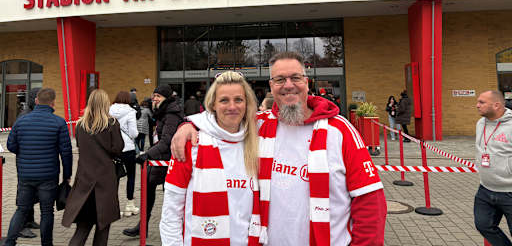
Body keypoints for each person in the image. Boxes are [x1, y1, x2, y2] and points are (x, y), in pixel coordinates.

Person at [172, 52, 387, 245]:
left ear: (307, 82)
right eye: (280, 79)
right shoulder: (259, 125)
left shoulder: (340, 131)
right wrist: (188, 125)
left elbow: (370, 203)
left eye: (295, 78)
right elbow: (223, 120)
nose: (288, 85)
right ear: (271, 86)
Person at [160, 71, 261, 245]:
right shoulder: (191, 143)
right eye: (224, 100)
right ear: (213, 104)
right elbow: (171, 212)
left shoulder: (260, 139)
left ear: (247, 104)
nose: (232, 106)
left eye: (238, 99)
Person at [4, 88, 73, 246]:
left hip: (25, 175)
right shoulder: (59, 122)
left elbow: (11, 146)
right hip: (48, 176)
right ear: (53, 103)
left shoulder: (21, 121)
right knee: (47, 212)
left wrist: (26, 151)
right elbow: (66, 152)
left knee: (21, 209)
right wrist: (67, 174)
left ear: (36, 101)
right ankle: (46, 244)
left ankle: (9, 242)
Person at [62, 89, 125, 246]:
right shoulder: (111, 123)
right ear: (105, 104)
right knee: (103, 229)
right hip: (105, 181)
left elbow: (80, 146)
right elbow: (117, 148)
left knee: (82, 230)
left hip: (85, 181)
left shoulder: (80, 125)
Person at [123, 85, 184, 237]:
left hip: (168, 161)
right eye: (154, 95)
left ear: (166, 98)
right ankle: (143, 227)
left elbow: (167, 140)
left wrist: (147, 154)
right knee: (149, 191)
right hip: (160, 160)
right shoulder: (162, 111)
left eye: (158, 96)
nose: (155, 98)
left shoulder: (171, 114)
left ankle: (170, 230)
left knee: (169, 198)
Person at [474, 90, 512, 245]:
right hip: (486, 189)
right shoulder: (480, 123)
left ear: (497, 105)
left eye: (482, 102)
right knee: (483, 225)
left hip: (509, 192)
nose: (477, 106)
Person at [11, 87, 42, 239]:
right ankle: (21, 226)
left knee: (32, 192)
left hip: (30, 162)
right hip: (26, 163)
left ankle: (29, 220)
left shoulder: (31, 113)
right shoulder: (25, 116)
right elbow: (14, 142)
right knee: (25, 194)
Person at [109, 91, 139, 217]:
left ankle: (114, 208)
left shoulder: (108, 110)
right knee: (131, 176)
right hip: (128, 148)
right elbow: (133, 133)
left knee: (114, 178)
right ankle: (129, 205)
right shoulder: (131, 112)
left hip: (113, 148)